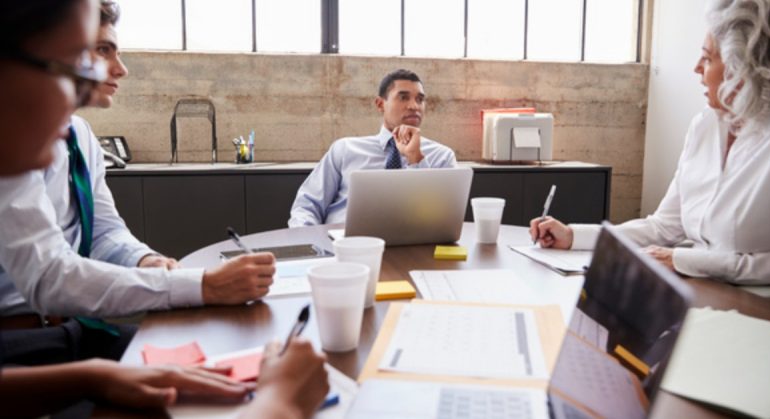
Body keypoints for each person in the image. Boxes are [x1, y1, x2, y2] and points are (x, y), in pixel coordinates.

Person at [0, 0, 328, 416]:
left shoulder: (77, 137)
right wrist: (200, 287)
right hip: (21, 340)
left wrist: (146, 260)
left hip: (71, 331)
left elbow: (103, 232)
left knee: (213, 376)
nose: (114, 70)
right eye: (83, 60)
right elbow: (48, 275)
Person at [530, 0, 770, 285]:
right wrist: (573, 236)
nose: (697, 68)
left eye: (708, 59)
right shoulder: (705, 125)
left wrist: (686, 261)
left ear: (744, 68)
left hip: (762, 308)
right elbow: (663, 227)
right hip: (696, 291)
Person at [288, 69, 457, 227]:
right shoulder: (345, 149)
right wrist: (312, 242)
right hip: (343, 246)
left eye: (420, 99)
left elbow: (442, 221)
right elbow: (306, 206)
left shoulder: (442, 157)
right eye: (403, 97)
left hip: (414, 250)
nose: (414, 106)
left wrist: (415, 159)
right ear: (380, 104)